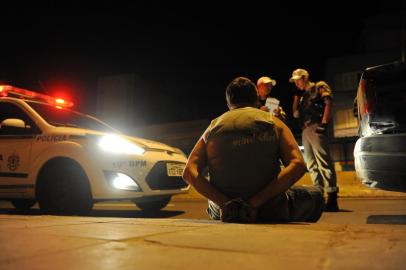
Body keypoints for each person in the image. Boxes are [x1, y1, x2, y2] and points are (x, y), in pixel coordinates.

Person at [182, 77, 324, 223]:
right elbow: (298, 165)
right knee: (316, 194)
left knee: (213, 204)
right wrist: (253, 203)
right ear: (256, 99)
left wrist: (225, 203)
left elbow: (189, 172)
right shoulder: (273, 122)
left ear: (228, 103)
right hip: (270, 209)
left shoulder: (212, 127)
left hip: (224, 211)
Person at [289, 68, 339, 212]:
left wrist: (323, 123)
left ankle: (332, 196)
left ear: (305, 77)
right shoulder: (303, 96)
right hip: (305, 129)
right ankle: (318, 196)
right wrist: (296, 98)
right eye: (295, 80)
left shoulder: (319, 86)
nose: (296, 83)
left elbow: (328, 102)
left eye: (298, 79)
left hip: (316, 126)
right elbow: (295, 114)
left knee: (323, 160)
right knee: (311, 164)